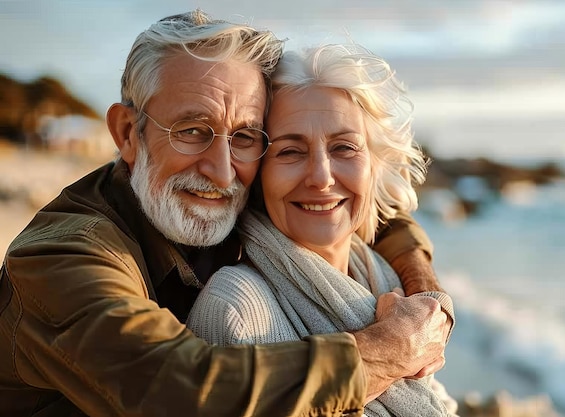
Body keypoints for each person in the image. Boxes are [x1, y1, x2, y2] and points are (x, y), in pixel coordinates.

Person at [0, 10, 449, 417]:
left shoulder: (232, 188)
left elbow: (346, 205)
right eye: (192, 131)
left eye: (245, 136)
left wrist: (426, 296)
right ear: (127, 133)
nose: (220, 170)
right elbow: (179, 391)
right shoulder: (62, 258)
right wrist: (387, 351)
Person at [186, 43, 457, 417]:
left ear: (375, 165)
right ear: (258, 174)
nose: (321, 177)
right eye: (290, 152)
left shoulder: (386, 279)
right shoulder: (234, 309)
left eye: (344, 148)